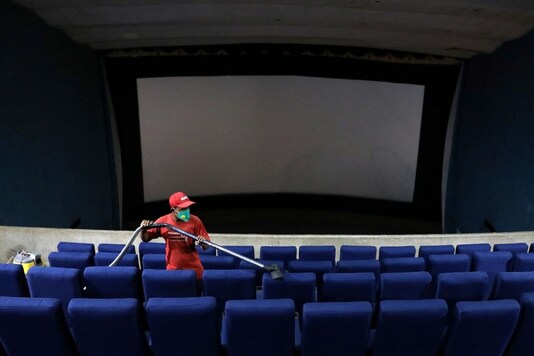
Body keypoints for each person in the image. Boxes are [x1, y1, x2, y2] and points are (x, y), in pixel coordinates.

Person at [141, 191, 210, 295]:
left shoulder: (195, 221)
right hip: (173, 271)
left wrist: (202, 242)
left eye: (188, 207)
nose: (186, 211)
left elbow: (206, 246)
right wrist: (143, 229)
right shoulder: (163, 221)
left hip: (196, 272)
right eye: (183, 209)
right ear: (173, 209)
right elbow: (145, 238)